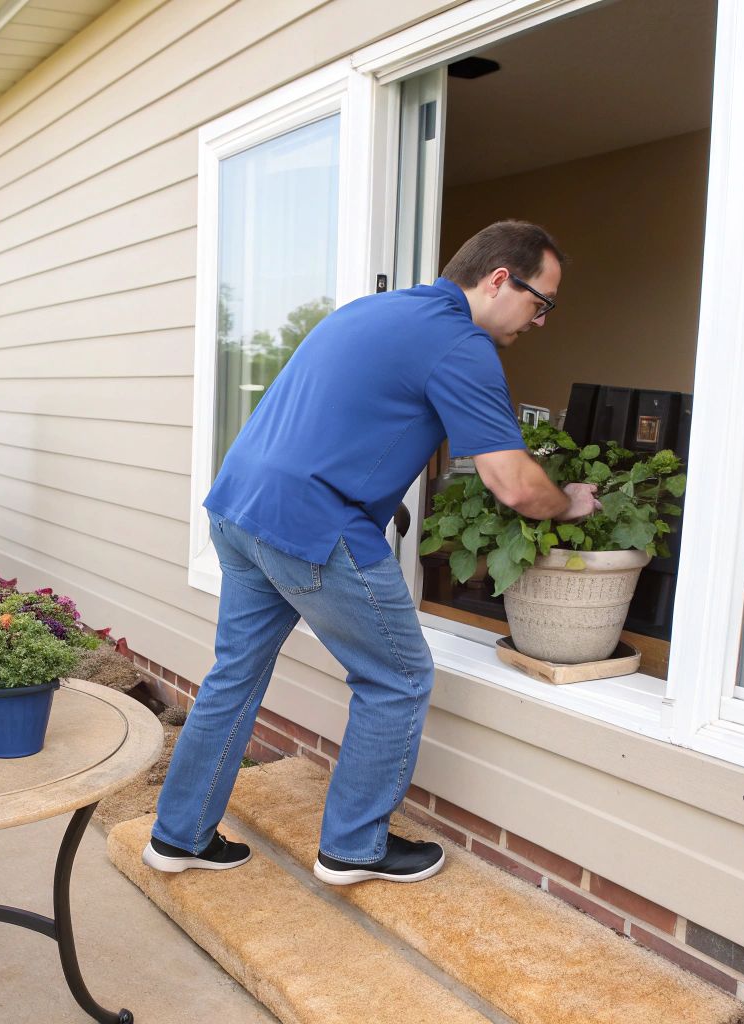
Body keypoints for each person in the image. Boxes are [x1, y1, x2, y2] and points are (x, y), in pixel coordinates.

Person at [143, 220, 600, 884]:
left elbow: (346, 415)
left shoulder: (374, 309)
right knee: (399, 676)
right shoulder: (460, 344)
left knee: (234, 676)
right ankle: (354, 847)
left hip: (241, 507)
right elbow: (514, 485)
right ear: (500, 279)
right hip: (313, 524)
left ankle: (178, 835)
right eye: (541, 302)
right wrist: (570, 502)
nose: (540, 321)